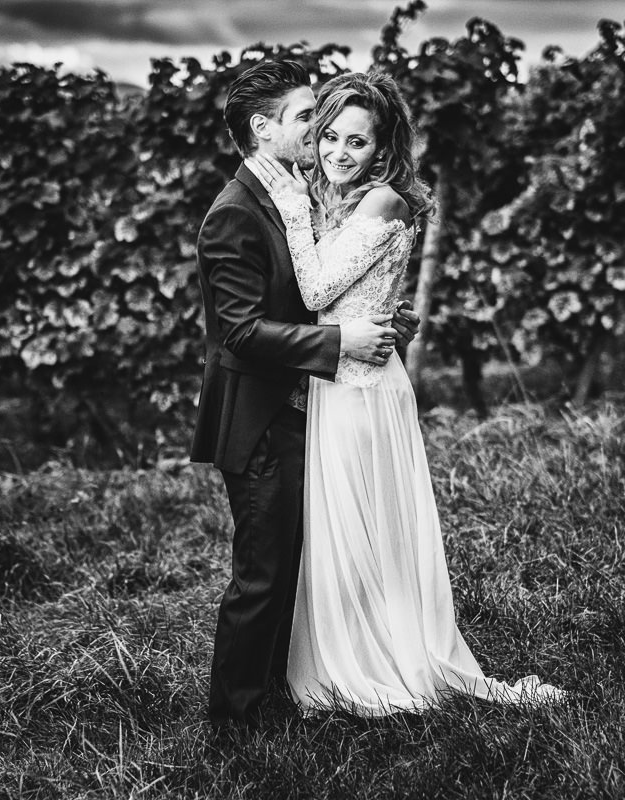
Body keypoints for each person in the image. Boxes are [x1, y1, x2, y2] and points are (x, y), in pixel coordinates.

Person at [244, 70, 564, 716]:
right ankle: (357, 651)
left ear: (383, 147)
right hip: (339, 381)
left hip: (361, 390)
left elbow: (316, 290)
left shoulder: (381, 202)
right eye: (329, 136)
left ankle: (381, 661)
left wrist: (291, 210)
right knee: (347, 531)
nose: (338, 152)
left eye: (356, 142)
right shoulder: (341, 197)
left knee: (367, 528)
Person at [190, 60, 421, 727]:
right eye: (305, 115)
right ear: (264, 128)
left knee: (292, 563)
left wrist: (380, 315)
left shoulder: (295, 194)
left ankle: (278, 693)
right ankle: (233, 726)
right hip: (258, 417)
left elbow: (322, 289)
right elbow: (239, 332)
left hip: (306, 406)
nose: (319, 127)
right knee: (262, 573)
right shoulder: (235, 212)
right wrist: (341, 341)